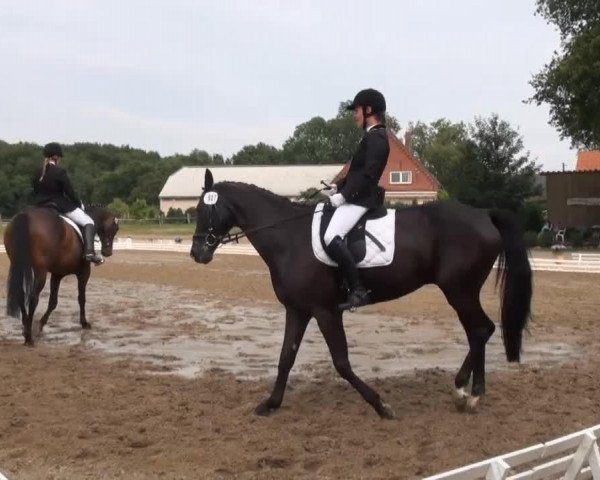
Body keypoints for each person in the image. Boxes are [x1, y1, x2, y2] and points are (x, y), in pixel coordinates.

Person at [324, 88, 390, 311]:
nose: (355, 115)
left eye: (357, 110)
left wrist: (344, 196)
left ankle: (358, 289)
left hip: (362, 200)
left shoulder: (377, 138)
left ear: (368, 110)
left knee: (331, 236)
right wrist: (337, 187)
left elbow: (368, 175)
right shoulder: (371, 137)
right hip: (357, 196)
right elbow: (355, 173)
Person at [32, 142, 104, 265]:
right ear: (56, 157)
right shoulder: (59, 171)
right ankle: (89, 253)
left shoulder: (37, 172)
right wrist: (79, 204)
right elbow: (69, 192)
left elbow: (36, 191)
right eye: (60, 157)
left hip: (40, 205)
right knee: (89, 222)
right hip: (59, 204)